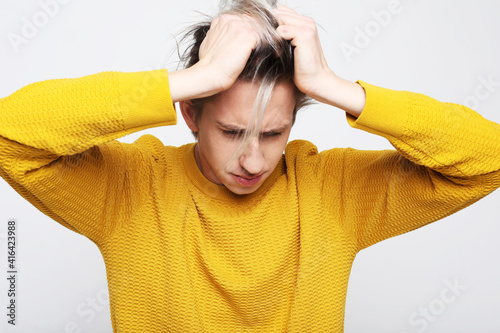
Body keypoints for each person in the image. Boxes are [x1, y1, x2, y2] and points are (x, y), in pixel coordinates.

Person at [0, 0, 499, 331]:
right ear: (192, 114)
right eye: (233, 131)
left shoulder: (332, 192)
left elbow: (488, 159)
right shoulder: (130, 187)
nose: (254, 159)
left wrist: (335, 88)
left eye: (274, 132)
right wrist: (193, 78)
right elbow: (9, 133)